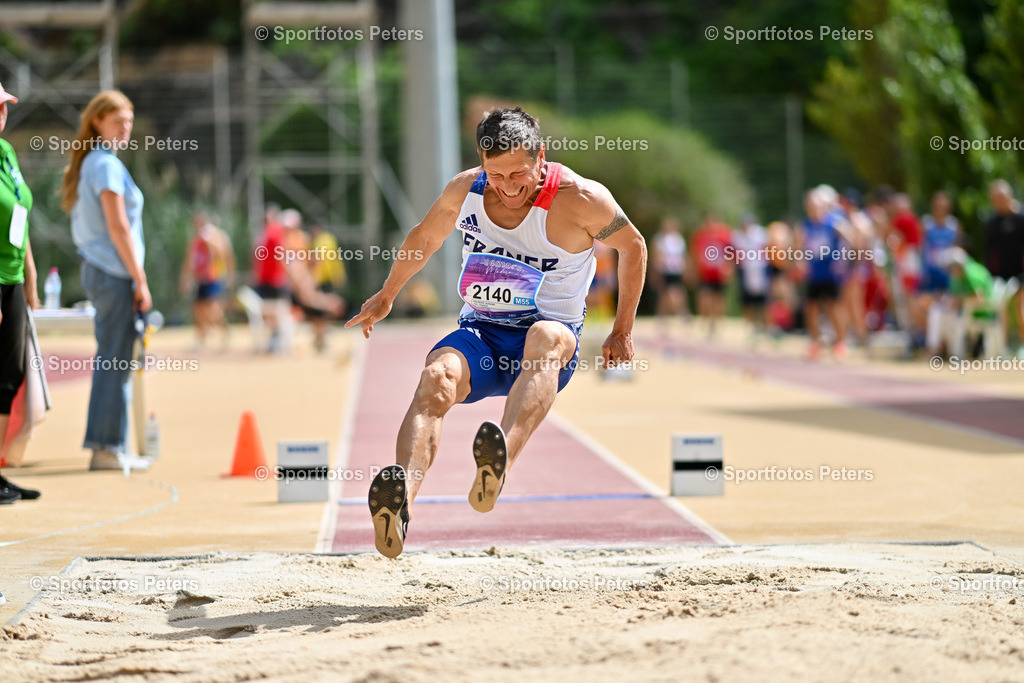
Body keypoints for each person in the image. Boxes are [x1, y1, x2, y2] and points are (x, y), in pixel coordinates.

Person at [346, 107, 647, 558]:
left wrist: (621, 330)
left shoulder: (581, 198)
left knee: (545, 336)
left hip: (548, 341)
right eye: (496, 175)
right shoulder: (465, 189)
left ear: (541, 157)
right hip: (483, 335)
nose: (507, 187)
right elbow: (424, 238)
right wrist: (388, 293)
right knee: (435, 379)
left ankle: (498, 458)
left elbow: (633, 245)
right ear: (482, 164)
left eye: (519, 175)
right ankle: (401, 502)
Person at [61, 90, 151, 471]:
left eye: (129, 122)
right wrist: (140, 279)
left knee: (112, 358)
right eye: (118, 122)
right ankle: (106, 447)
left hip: (101, 269)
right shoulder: (106, 165)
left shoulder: (95, 163)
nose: (125, 129)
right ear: (97, 121)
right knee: (116, 359)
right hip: (114, 272)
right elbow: (118, 226)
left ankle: (107, 444)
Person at [0, 81, 41, 502]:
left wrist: (29, 274)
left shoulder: (7, 153)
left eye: (4, 106)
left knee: (7, 378)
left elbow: (20, 214)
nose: (1, 113)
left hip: (11, 277)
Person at [798, 188, 853, 360]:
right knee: (811, 308)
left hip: (831, 272)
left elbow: (849, 238)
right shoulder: (806, 224)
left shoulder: (833, 222)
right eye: (809, 206)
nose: (812, 209)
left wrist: (842, 259)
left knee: (834, 307)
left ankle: (840, 343)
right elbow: (799, 245)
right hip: (814, 273)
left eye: (815, 205)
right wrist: (800, 262)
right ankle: (815, 343)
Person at [180, 212, 235, 351]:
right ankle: (201, 338)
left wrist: (227, 273)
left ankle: (225, 332)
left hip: (213, 277)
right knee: (199, 309)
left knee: (213, 310)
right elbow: (190, 259)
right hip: (201, 278)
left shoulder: (215, 236)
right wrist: (186, 277)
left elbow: (224, 255)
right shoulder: (196, 238)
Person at [984, 180, 1024, 353]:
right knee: (1001, 310)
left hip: (1022, 273)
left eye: (1001, 197)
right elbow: (989, 252)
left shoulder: (1021, 218)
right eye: (994, 198)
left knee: (1021, 309)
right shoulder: (993, 223)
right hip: (1001, 275)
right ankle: (1005, 346)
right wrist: (991, 275)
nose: (998, 201)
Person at [691, 213, 733, 338]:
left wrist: (729, 269)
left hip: (720, 273)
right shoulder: (700, 236)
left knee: (718, 299)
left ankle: (716, 323)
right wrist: (693, 270)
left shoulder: (725, 235)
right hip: (705, 272)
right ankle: (705, 321)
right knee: (705, 298)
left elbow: (731, 253)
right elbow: (694, 254)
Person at [253, 203, 288, 352]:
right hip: (265, 278)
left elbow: (280, 254)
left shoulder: (274, 231)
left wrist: (288, 274)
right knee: (268, 309)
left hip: (274, 278)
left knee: (274, 309)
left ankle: (277, 338)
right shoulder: (264, 232)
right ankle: (275, 337)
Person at [308, 222, 346, 352]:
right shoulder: (330, 239)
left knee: (320, 310)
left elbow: (317, 260)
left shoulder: (319, 241)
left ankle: (320, 336)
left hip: (320, 280)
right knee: (326, 309)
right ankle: (321, 335)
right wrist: (339, 274)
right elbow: (335, 258)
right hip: (328, 278)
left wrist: (312, 279)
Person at [731, 213, 769, 341]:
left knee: (762, 299)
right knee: (747, 300)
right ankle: (751, 325)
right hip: (745, 269)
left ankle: (763, 325)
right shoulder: (737, 236)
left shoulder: (761, 234)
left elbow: (768, 250)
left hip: (759, 269)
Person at [651, 217, 688, 333]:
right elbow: (656, 254)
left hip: (676, 270)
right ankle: (680, 314)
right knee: (667, 295)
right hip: (665, 270)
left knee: (672, 294)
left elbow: (683, 256)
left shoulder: (679, 239)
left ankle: (666, 317)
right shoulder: (660, 239)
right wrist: (656, 270)